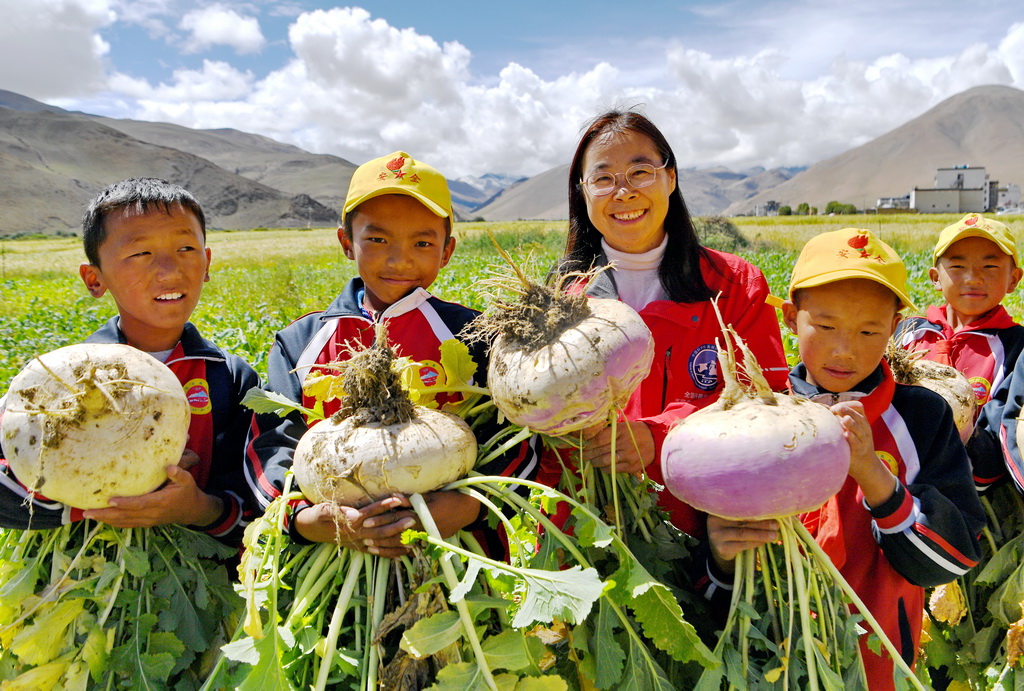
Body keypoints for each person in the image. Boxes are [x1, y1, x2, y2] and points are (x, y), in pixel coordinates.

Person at [244, 151, 539, 558]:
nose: (400, 259)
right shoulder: (300, 343)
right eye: (378, 240)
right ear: (347, 243)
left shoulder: (478, 335)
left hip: (460, 552)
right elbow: (272, 442)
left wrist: (466, 506)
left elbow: (516, 435)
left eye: (422, 242)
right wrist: (301, 518)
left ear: (446, 251)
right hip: (331, 555)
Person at [547, 109, 788, 569]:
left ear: (670, 178)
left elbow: (766, 406)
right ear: (583, 193)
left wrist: (658, 439)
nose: (624, 192)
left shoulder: (734, 285)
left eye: (641, 172)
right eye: (603, 179)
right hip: (588, 534)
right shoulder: (557, 303)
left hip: (711, 536)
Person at [0, 177, 259, 546]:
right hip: (83, 585)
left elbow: (259, 503)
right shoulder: (56, 380)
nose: (169, 270)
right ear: (94, 279)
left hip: (206, 590)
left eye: (186, 248)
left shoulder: (231, 379)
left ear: (207, 263)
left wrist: (197, 508)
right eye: (141, 254)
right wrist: (86, 497)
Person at [782, 228, 984, 689]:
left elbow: (955, 557)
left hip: (881, 664)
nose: (844, 349)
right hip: (769, 652)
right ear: (792, 318)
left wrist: (874, 477)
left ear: (894, 328)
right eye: (826, 326)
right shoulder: (762, 415)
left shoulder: (923, 416)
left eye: (869, 330)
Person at [896, 212, 1024, 493]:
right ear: (935, 278)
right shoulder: (906, 332)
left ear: (1013, 279)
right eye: (957, 266)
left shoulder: (1017, 346)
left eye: (990, 266)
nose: (973, 278)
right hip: (892, 472)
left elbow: (1005, 426)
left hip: (969, 486)